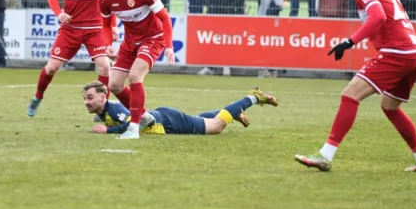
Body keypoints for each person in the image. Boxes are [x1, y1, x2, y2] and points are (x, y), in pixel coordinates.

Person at [295, 0, 416, 173]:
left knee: (350, 95)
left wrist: (349, 42)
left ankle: (325, 155)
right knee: (390, 107)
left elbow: (379, 17)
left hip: (397, 52)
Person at [27, 0, 112, 117]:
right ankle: (37, 97)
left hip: (94, 29)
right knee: (51, 68)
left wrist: (111, 27)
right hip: (70, 28)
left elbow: (110, 0)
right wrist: (59, 13)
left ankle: (102, 109)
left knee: (105, 66)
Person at [99, 0, 175, 140]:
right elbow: (106, 25)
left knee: (134, 76)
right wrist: (109, 44)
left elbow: (165, 18)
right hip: (130, 42)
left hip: (153, 39)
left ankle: (134, 128)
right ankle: (145, 117)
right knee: (114, 85)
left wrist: (169, 47)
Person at [82, 82, 279, 135]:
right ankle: (232, 111)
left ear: (103, 97)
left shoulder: (115, 110)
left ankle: (252, 97)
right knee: (199, 119)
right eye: (85, 99)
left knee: (216, 127)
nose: (86, 102)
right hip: (166, 118)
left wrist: (109, 130)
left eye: (90, 98)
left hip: (168, 122)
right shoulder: (103, 113)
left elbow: (135, 124)